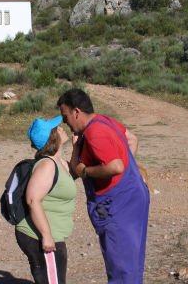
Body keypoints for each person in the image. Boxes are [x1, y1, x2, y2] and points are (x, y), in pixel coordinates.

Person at [57, 89, 150, 284]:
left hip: (117, 206)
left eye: (65, 116)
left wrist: (86, 171)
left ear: (76, 112)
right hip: (134, 197)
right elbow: (132, 139)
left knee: (121, 270)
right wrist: (127, 174)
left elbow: (116, 167)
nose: (65, 122)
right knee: (131, 266)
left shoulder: (94, 132)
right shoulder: (104, 120)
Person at [15, 116, 77, 284]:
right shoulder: (47, 165)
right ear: (52, 137)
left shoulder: (58, 162)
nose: (61, 128)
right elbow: (32, 200)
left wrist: (76, 147)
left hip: (52, 234)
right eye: (57, 128)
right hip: (39, 236)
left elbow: (73, 173)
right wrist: (46, 235)